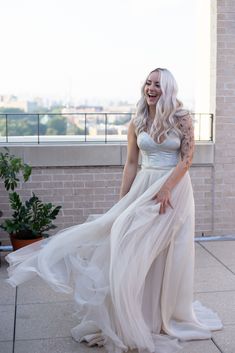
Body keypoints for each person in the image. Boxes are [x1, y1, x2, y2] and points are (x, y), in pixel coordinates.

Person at [6, 68, 222, 353]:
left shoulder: (181, 118)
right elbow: (131, 163)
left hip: (174, 190)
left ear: (168, 88)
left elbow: (187, 158)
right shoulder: (138, 120)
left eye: (157, 84)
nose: (151, 88)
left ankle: (161, 315)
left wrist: (167, 188)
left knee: (166, 252)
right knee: (124, 239)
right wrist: (122, 202)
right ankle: (132, 314)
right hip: (143, 186)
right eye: (148, 82)